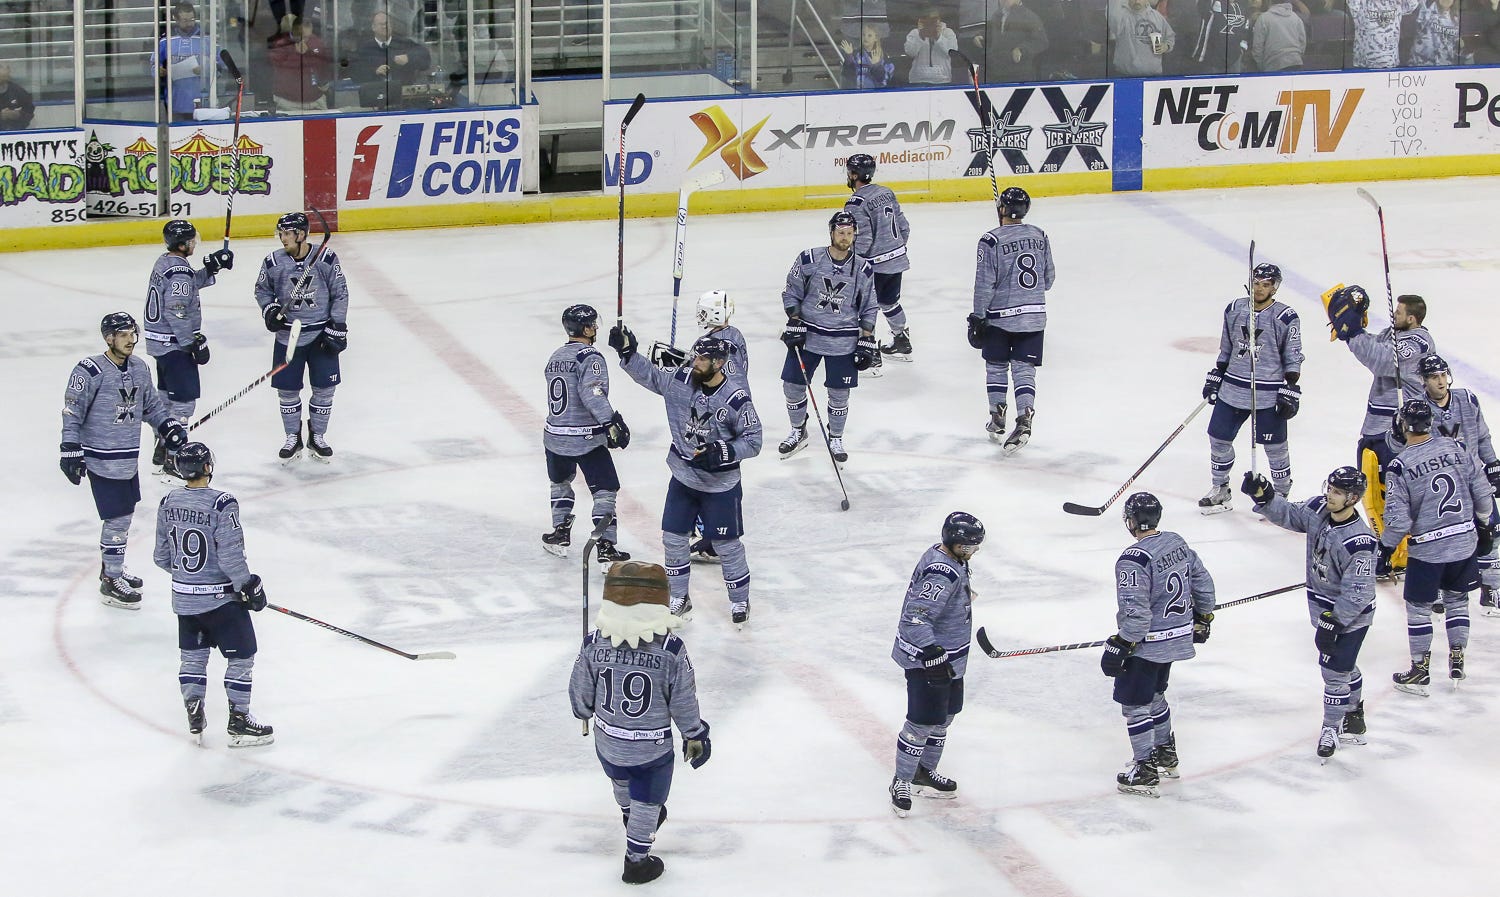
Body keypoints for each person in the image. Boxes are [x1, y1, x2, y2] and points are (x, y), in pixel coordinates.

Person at [606, 328, 763, 627]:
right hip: (683, 478)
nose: (694, 363)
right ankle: (679, 596)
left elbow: (754, 440)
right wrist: (627, 355)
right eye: (695, 356)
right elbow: (651, 376)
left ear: (718, 364)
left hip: (720, 486)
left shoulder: (736, 399)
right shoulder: (681, 381)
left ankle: (739, 599)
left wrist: (725, 451)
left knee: (727, 544)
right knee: (673, 539)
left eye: (702, 359)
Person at [570, 561, 710, 884]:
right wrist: (694, 734)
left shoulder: (593, 644)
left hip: (607, 743)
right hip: (651, 750)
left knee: (621, 782)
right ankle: (637, 860)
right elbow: (684, 700)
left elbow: (579, 691)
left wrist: (582, 711)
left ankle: (630, 816)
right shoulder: (671, 649)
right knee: (649, 796)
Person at [1243, 467, 1377, 760]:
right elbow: (1290, 514)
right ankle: (1354, 716)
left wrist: (1336, 620)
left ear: (1353, 498)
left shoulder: (1360, 542)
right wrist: (1265, 496)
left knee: (1333, 672)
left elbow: (1358, 592)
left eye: (1338, 492)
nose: (1330, 495)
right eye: (1330, 488)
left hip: (1350, 615)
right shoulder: (1318, 509)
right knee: (1345, 667)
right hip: (1323, 607)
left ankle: (1331, 727)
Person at [60, 313, 188, 609]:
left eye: (133, 333)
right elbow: (72, 410)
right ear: (109, 338)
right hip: (101, 457)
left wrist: (167, 426)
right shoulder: (89, 370)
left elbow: (151, 407)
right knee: (117, 519)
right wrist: (70, 447)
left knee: (125, 516)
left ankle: (111, 568)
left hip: (128, 457)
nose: (131, 339)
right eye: (124, 334)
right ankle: (111, 580)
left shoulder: (141, 368)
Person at [153, 442, 274, 747]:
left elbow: (161, 556)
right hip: (222, 601)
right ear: (207, 468)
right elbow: (231, 556)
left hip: (184, 598)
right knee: (242, 657)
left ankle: (194, 708)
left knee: (193, 658)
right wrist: (248, 585)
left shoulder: (168, 501)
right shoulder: (222, 503)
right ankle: (239, 721)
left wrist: (188, 578)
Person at [1102, 492, 1216, 797]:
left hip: (1147, 644)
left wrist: (1121, 642)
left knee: (1135, 705)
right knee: (1154, 696)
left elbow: (1136, 613)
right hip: (1176, 637)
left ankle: (1144, 769)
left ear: (1131, 521)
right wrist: (1203, 616)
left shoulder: (1132, 560)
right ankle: (1165, 755)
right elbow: (1202, 582)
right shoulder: (1176, 542)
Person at [1381, 400, 1496, 694]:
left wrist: (1385, 550)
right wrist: (1484, 525)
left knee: (1419, 608)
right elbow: (1483, 494)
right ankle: (1457, 657)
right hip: (1464, 541)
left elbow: (1398, 519)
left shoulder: (1400, 464)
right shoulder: (1456, 448)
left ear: (1404, 426)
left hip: (1428, 549)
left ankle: (1420, 669)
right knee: (1457, 600)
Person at [1324, 287, 1436, 577]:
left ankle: (1403, 555)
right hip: (1374, 427)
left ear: (1412, 318)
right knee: (1371, 495)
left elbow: (1383, 361)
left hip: (1396, 432)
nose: (1392, 315)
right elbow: (1371, 346)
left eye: (1398, 312)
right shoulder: (1394, 334)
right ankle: (1386, 549)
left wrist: (1352, 333)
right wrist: (1352, 330)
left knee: (1394, 497)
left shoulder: (1418, 342)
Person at [888, 512, 984, 818]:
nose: (974, 550)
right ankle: (901, 780)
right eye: (969, 545)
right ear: (954, 542)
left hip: (952, 658)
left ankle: (924, 772)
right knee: (921, 722)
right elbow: (915, 617)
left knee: (945, 716)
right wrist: (930, 652)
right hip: (928, 661)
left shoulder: (955, 559)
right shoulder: (942, 572)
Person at [1199, 262, 1304, 513]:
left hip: (1267, 393)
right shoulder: (1234, 309)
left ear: (1274, 287)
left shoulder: (1285, 317)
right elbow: (1227, 346)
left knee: (1275, 447)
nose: (1259, 289)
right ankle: (1221, 489)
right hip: (1233, 387)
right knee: (1218, 438)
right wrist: (1218, 373)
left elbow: (1293, 354)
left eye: (1265, 285)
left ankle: (1280, 497)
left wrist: (1290, 386)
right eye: (1256, 283)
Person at [778, 211, 878, 466]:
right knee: (792, 386)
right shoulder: (809, 259)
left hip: (843, 340)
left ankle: (836, 437)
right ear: (831, 232)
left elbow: (869, 306)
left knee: (839, 393)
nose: (845, 238)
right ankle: (798, 430)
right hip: (808, 336)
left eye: (849, 233)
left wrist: (866, 340)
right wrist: (794, 320)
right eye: (840, 232)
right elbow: (791, 291)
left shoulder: (863, 269)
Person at [254, 211, 348, 464]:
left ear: (301, 234)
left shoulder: (326, 258)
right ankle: (292, 437)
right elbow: (262, 290)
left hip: (320, 335)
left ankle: (317, 436)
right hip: (289, 338)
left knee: (325, 390)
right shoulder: (273, 262)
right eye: (280, 233)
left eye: (286, 234)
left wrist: (337, 325)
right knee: (287, 391)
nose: (282, 238)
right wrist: (270, 310)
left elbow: (340, 293)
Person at [968, 186, 1055, 453]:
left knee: (996, 366)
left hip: (1000, 318)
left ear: (1003, 210)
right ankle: (1025, 417)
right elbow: (1048, 279)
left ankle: (997, 414)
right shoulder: (1039, 235)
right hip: (1034, 315)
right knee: (1024, 369)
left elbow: (985, 284)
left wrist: (977, 317)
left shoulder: (990, 240)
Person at [543, 304, 632, 564]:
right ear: (584, 328)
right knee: (605, 489)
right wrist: (610, 422)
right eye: (592, 324)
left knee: (560, 482)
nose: (595, 328)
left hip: (554, 436)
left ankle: (560, 533)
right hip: (586, 438)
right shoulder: (590, 357)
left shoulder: (555, 355)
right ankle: (605, 546)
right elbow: (592, 393)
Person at [143, 220, 233, 475]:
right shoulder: (180, 271)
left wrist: (211, 267)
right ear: (182, 244)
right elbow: (176, 308)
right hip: (174, 346)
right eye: (192, 240)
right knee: (182, 404)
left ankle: (161, 444)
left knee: (164, 399)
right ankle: (173, 459)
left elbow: (184, 285)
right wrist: (190, 342)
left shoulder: (164, 262)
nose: (194, 243)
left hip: (159, 345)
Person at [1417, 355, 1500, 612]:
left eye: (1443, 375)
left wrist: (1493, 464)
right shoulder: (1417, 409)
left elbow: (1482, 435)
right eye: (1434, 377)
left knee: (1492, 532)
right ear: (1424, 381)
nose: (1440, 381)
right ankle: (1442, 590)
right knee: (1444, 539)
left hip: (1474, 479)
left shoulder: (1467, 399)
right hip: (1439, 488)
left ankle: (1492, 589)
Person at [843, 153, 912, 373]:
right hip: (897, 259)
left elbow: (863, 240)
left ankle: (870, 354)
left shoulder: (856, 203)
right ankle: (901, 341)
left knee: (864, 307)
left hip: (875, 265)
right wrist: (895, 251)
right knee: (889, 302)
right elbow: (904, 227)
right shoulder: (886, 192)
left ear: (854, 174)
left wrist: (852, 263)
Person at [344, 10, 432, 109]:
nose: (385, 26)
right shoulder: (364, 48)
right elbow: (354, 72)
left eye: (388, 23)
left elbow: (425, 58)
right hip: (374, 102)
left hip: (404, 101)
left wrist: (409, 58)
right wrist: (374, 71)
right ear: (373, 27)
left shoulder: (404, 43)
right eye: (381, 24)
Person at [157, 3, 214, 121]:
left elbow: (219, 64)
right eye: (184, 20)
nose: (189, 24)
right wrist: (159, 70)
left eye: (192, 19)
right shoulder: (166, 40)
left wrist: (206, 69)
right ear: (175, 19)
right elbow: (154, 64)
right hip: (176, 101)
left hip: (203, 101)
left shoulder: (206, 38)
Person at [268, 16, 334, 112]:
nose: (305, 40)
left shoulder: (317, 43)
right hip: (288, 103)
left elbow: (324, 65)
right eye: (302, 36)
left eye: (308, 37)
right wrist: (294, 52)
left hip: (316, 101)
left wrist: (308, 53)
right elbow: (275, 64)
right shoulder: (281, 45)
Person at [976, 0, 1050, 82]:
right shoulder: (997, 15)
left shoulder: (1029, 16)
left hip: (1018, 74)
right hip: (995, 72)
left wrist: (1021, 50)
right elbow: (991, 33)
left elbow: (1041, 41)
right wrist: (981, 36)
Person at [1107, 0, 1176, 76]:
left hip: (1153, 76)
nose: (1137, 1)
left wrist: (1166, 46)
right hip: (1125, 76)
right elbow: (1112, 12)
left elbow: (1170, 36)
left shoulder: (1158, 17)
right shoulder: (1121, 18)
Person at [1345, 0, 1420, 67]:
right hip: (1365, 65)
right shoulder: (1360, 2)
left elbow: (1412, 5)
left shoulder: (1397, 2)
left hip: (1391, 63)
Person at [1186, 0, 1251, 72]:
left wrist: (1242, 49)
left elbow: (1245, 31)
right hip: (1211, 59)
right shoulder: (1213, 4)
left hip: (1235, 59)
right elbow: (1202, 7)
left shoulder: (1243, 6)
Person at [904, 8, 959, 84]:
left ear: (939, 19)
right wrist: (921, 36)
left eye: (933, 19)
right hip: (918, 80)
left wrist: (939, 37)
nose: (930, 22)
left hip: (943, 80)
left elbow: (953, 52)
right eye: (927, 19)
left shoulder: (948, 32)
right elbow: (910, 52)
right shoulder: (915, 33)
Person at [1251, 0, 1308, 71]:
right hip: (1295, 62)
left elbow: (1257, 47)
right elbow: (1302, 42)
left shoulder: (1263, 18)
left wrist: (1262, 67)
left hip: (1273, 64)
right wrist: (1297, 56)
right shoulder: (1296, 18)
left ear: (1269, 2)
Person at [1407, 0, 1461, 65]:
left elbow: (1455, 43)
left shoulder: (1456, 18)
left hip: (1444, 65)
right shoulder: (1425, 8)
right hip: (1420, 64)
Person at [0, 62, 36, 131]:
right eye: (1, 67)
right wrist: (1, 115)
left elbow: (29, 111)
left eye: (7, 68)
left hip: (14, 134)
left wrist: (18, 115)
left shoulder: (17, 90)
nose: (7, 70)